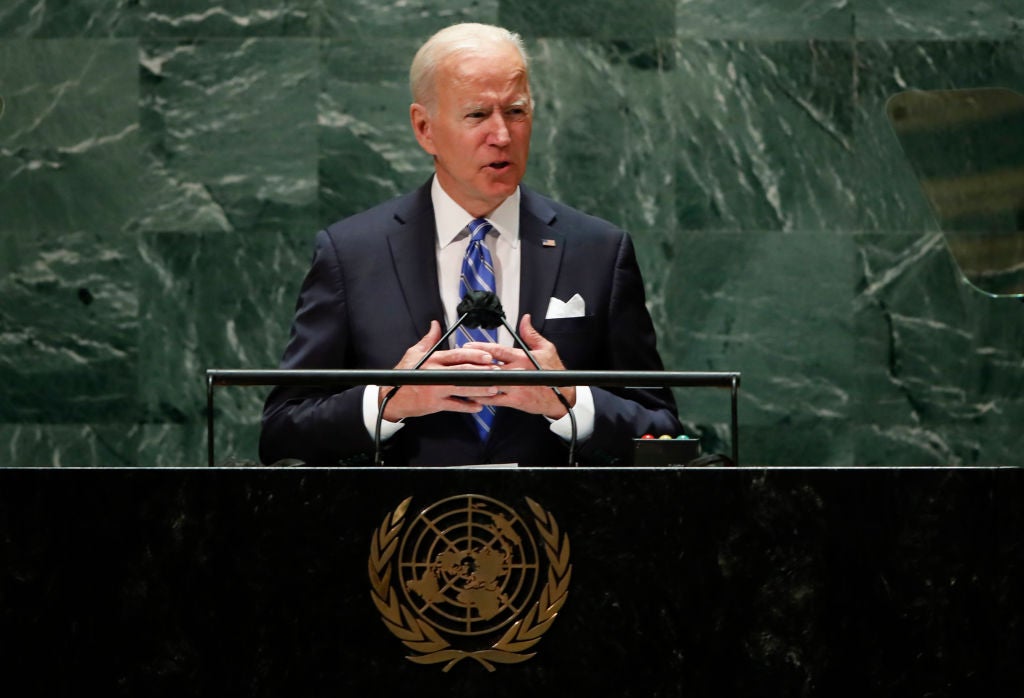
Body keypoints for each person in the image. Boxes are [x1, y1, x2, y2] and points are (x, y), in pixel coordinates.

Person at [259, 23, 681, 466]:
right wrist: (387, 400)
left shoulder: (597, 251)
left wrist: (569, 399)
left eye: (516, 112)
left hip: (555, 510)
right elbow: (283, 433)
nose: (502, 135)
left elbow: (663, 431)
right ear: (424, 128)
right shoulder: (352, 254)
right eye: (477, 115)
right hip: (404, 511)